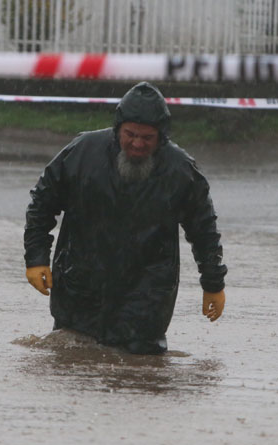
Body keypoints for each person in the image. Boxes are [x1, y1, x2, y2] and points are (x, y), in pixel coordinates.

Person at [23, 81, 227, 355]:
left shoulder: (180, 172)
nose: (137, 143)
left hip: (147, 296)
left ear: (161, 137)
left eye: (147, 138)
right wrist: (36, 258)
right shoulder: (82, 153)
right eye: (130, 134)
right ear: (117, 129)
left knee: (142, 369)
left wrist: (213, 283)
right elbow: (42, 204)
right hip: (80, 285)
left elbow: (204, 230)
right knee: (72, 358)